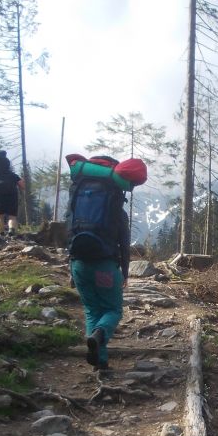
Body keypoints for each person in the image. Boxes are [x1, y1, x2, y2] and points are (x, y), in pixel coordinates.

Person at [68, 155, 130, 376]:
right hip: (105, 265)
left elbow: (70, 233)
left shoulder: (76, 198)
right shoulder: (115, 209)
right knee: (112, 310)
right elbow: (123, 241)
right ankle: (100, 335)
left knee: (91, 310)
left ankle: (99, 361)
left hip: (79, 263)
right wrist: (125, 271)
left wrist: (70, 268)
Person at [0, 151, 25, 236]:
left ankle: (1, 234)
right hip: (12, 195)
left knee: (0, 216)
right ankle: (11, 230)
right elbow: (22, 185)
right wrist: (21, 190)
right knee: (12, 216)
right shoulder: (13, 175)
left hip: (0, 196)